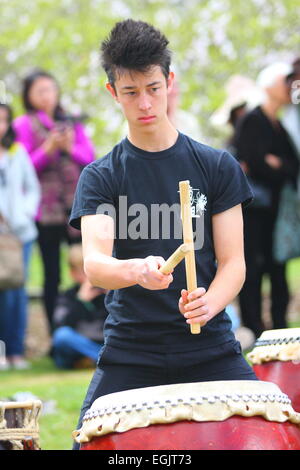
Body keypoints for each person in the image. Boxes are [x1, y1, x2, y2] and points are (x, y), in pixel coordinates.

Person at [69, 19, 257, 447]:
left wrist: (209, 303)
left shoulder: (215, 166)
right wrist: (136, 269)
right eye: (131, 92)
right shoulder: (100, 177)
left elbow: (233, 263)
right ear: (112, 92)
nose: (145, 103)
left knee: (268, 432)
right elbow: (96, 266)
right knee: (87, 444)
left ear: (169, 82)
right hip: (131, 348)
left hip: (209, 346)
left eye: (153, 88)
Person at [13, 70, 96, 331]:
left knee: (88, 266)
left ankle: (91, 324)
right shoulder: (23, 126)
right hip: (44, 212)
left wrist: (69, 147)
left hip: (76, 207)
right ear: (29, 96)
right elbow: (23, 168)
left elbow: (90, 159)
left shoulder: (70, 121)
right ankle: (56, 331)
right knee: (52, 274)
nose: (47, 95)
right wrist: (48, 149)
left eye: (50, 89)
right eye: (40, 91)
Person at [233, 62, 300, 338]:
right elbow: (255, 162)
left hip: (276, 212)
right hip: (254, 211)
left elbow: (291, 165)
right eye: (285, 81)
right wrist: (273, 165)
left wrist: (277, 164)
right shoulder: (253, 119)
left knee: (277, 267)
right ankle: (254, 327)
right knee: (252, 267)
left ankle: (280, 326)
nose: (289, 87)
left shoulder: (280, 124)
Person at [0, 103, 41, 370]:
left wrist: (24, 215)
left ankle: (16, 351)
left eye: (3, 120)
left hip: (20, 236)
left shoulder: (17, 152)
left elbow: (32, 189)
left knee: (16, 293)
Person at [51, 244, 108, 369]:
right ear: (73, 273)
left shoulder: (110, 291)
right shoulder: (68, 295)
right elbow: (60, 325)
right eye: (84, 271)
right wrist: (81, 301)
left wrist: (109, 295)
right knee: (62, 336)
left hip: (102, 343)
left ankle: (97, 359)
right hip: (78, 345)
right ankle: (103, 360)